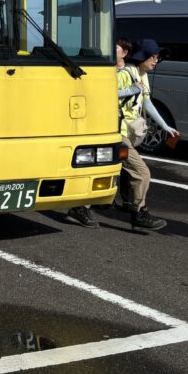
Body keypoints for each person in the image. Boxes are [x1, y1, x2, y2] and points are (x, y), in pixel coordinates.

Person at [66, 38, 139, 228]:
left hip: (120, 125)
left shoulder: (129, 71)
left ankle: (103, 203)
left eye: (114, 49)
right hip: (109, 125)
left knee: (110, 165)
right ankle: (137, 211)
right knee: (126, 168)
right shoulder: (103, 72)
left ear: (125, 53)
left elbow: (140, 94)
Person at [117, 38, 178, 230]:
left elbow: (147, 102)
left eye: (157, 57)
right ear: (141, 57)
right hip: (117, 131)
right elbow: (105, 94)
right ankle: (138, 213)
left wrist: (164, 125)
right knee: (142, 172)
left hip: (127, 131)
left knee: (113, 170)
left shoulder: (142, 74)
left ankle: (82, 208)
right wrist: (130, 90)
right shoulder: (126, 73)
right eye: (152, 57)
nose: (156, 61)